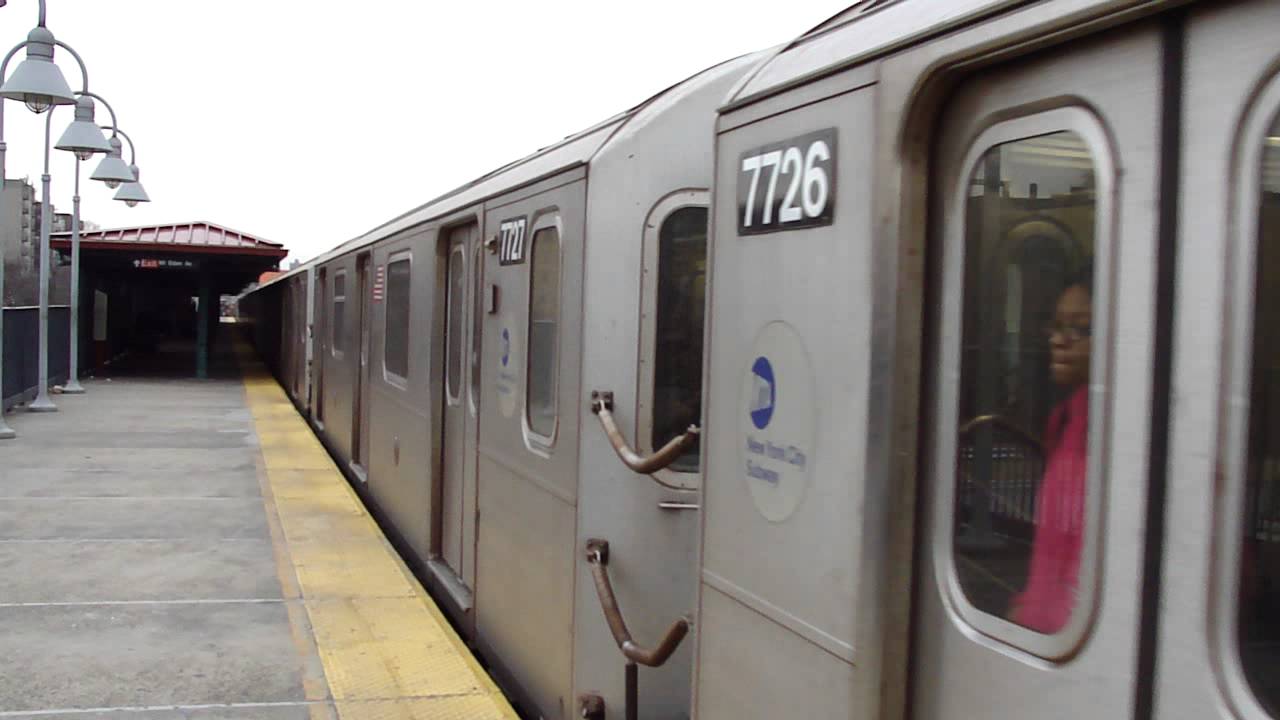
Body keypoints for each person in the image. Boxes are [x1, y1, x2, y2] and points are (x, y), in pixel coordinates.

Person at [1007, 274, 1091, 633]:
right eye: (1056, 327)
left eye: (1079, 329)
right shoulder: (1066, 420)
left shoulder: (1121, 436)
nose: (1059, 341)